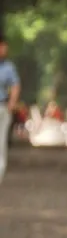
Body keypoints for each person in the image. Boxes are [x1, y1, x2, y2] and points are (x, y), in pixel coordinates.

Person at [0, 35, 21, 183]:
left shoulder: (8, 67)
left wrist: (12, 103)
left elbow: (15, 84)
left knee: (1, 142)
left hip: (2, 106)